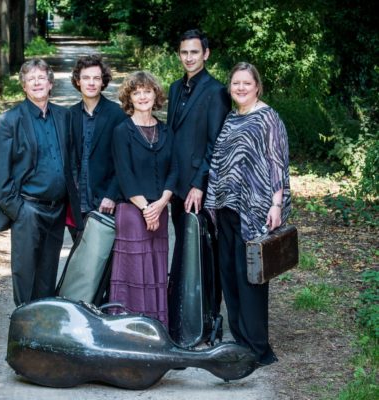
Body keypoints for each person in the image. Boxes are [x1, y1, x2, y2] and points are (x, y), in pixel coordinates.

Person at [204, 62, 291, 366]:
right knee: (230, 274)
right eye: (236, 83)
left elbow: (278, 163)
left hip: (255, 211)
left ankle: (258, 347)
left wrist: (276, 205)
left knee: (251, 276)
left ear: (257, 87)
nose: (240, 88)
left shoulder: (268, 118)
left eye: (246, 83)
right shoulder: (232, 117)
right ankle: (240, 338)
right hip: (227, 207)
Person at [0, 58, 83, 307]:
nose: (37, 83)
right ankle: (23, 329)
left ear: (51, 83)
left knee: (47, 274)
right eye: (31, 79)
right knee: (26, 274)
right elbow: (1, 174)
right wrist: (19, 211)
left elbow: (72, 162)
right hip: (27, 209)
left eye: (42, 78)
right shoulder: (9, 121)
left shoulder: (63, 116)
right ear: (24, 86)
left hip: (57, 209)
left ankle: (44, 330)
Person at [167, 28, 230, 319]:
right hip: (176, 186)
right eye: (184, 52)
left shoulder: (216, 91)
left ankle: (208, 319)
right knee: (183, 250)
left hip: (198, 188)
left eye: (194, 52)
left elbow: (215, 144)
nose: (189, 57)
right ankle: (184, 315)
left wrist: (199, 184)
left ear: (205, 54)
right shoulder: (174, 89)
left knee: (205, 253)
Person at [110, 71, 177, 327]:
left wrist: (161, 205)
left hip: (160, 210)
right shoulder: (122, 131)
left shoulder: (166, 131)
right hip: (132, 212)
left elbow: (175, 170)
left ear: (155, 95)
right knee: (135, 274)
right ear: (129, 98)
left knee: (157, 271)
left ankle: (157, 329)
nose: (142, 96)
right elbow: (125, 176)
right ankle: (128, 329)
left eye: (147, 91)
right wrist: (147, 209)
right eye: (136, 92)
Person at [69, 55, 127, 238]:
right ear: (78, 82)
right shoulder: (69, 115)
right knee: (80, 260)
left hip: (105, 203)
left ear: (103, 82)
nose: (91, 83)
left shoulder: (118, 115)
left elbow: (125, 162)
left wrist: (111, 195)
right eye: (86, 78)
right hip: (77, 204)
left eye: (96, 78)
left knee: (103, 262)